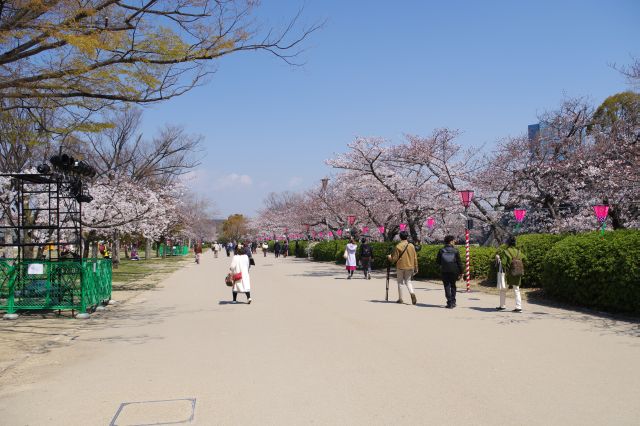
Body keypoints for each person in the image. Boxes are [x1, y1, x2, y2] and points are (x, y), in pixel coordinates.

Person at [496, 236, 526, 313]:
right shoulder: (519, 251)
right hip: (517, 273)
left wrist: (498, 259)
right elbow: (524, 260)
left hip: (508, 274)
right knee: (517, 289)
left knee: (503, 289)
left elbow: (503, 263)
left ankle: (502, 305)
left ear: (508, 243)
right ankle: (518, 307)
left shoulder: (506, 251)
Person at [387, 231, 419, 304]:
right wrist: (416, 267)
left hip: (400, 266)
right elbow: (415, 258)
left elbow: (394, 259)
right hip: (410, 266)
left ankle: (400, 299)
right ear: (407, 237)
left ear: (400, 237)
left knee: (400, 282)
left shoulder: (398, 246)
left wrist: (389, 257)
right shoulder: (411, 246)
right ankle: (412, 293)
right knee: (408, 281)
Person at [436, 235, 463, 309]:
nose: (454, 242)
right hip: (454, 270)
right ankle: (453, 301)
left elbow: (437, 262)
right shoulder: (455, 250)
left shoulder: (441, 250)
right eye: (454, 241)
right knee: (453, 285)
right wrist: (461, 272)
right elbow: (459, 262)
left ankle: (449, 302)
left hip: (444, 270)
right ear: (451, 241)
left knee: (446, 286)